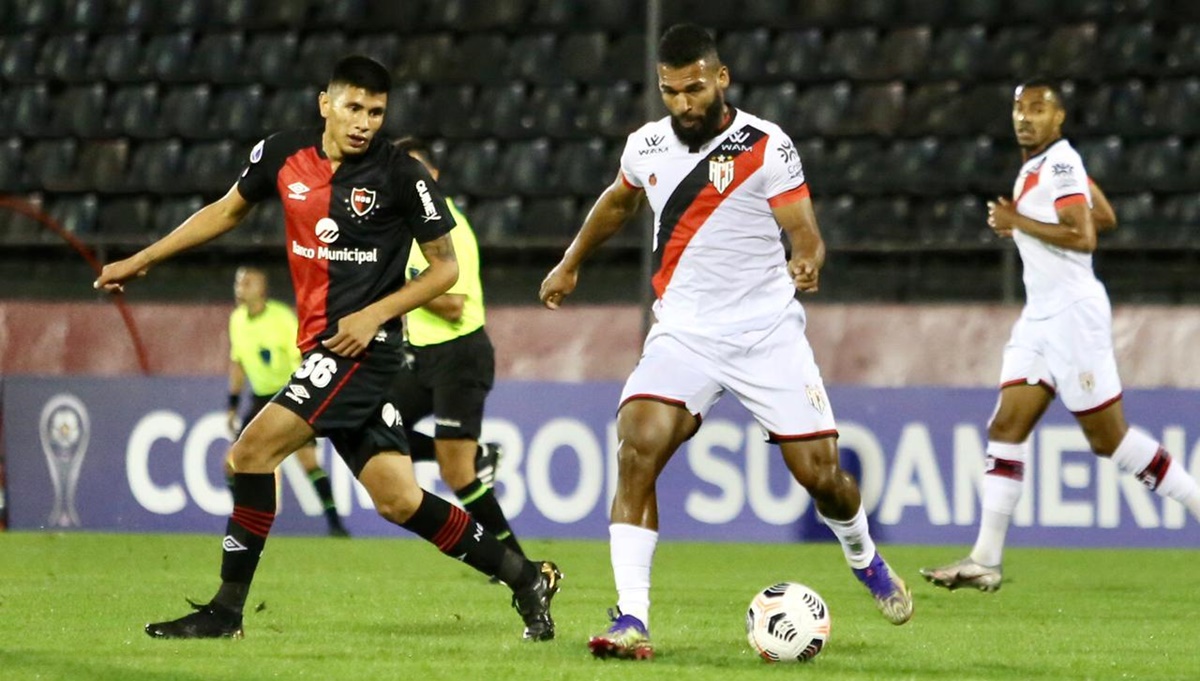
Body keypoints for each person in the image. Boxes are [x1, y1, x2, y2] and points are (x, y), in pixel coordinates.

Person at [94, 55, 560, 641]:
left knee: (250, 454)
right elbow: (226, 210)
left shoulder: (400, 175)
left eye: (376, 111)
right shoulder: (283, 154)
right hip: (325, 346)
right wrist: (142, 260)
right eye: (354, 107)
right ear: (326, 104)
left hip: (359, 351)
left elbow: (446, 270)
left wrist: (374, 313)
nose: (364, 121)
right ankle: (525, 578)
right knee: (399, 500)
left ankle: (225, 612)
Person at [538, 24, 913, 661]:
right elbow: (617, 202)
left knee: (823, 478)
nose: (682, 104)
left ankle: (865, 558)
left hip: (767, 333)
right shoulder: (648, 144)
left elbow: (804, 229)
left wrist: (807, 260)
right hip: (684, 332)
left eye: (692, 88)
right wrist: (571, 260)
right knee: (636, 445)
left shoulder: (766, 146)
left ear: (721, 79)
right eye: (669, 91)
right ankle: (632, 618)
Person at [920, 80, 1200, 592]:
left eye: (1038, 109)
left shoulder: (1060, 163)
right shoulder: (1043, 165)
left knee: (1109, 441)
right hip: (1039, 319)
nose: (1025, 117)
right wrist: (1025, 223)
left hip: (1073, 317)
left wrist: (1017, 220)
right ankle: (985, 559)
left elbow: (1086, 234)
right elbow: (1107, 216)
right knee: (1006, 426)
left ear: (1060, 117)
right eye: (1019, 109)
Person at [388, 136, 522, 557]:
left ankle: (516, 561)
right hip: (420, 358)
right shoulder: (403, 232)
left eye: (415, 170)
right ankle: (479, 453)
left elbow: (451, 306)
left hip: (459, 354)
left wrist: (404, 288)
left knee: (457, 473)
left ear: (434, 176)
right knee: (371, 422)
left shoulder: (447, 227)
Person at [227, 265, 349, 537]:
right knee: (232, 463)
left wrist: (306, 394)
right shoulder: (236, 320)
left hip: (288, 393)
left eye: (247, 282)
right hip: (259, 397)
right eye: (238, 282)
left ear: (262, 288)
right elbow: (237, 363)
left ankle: (336, 525)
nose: (240, 287)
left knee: (308, 462)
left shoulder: (281, 319)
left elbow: (304, 355)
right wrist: (232, 404)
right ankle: (246, 522)